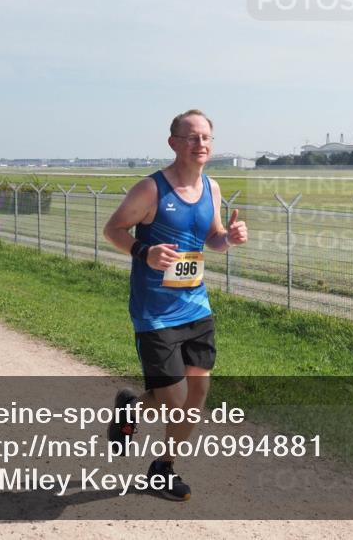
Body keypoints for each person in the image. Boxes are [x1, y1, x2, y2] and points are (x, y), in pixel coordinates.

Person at [103, 109, 247, 501]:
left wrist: (228, 237)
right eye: (191, 137)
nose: (200, 144)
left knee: (197, 394)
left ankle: (163, 467)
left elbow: (212, 238)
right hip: (155, 313)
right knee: (174, 400)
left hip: (196, 307)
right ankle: (133, 410)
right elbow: (113, 229)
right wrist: (143, 251)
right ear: (173, 143)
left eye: (206, 138)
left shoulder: (212, 189)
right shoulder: (151, 190)